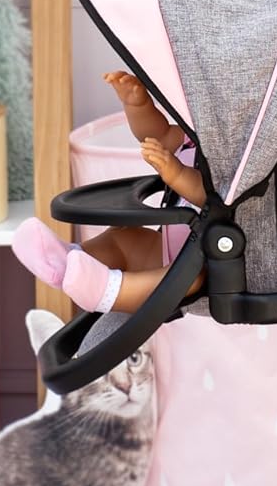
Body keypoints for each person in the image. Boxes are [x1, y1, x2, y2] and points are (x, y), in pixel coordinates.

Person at [12, 71, 205, 315]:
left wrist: (177, 174)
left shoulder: (236, 158)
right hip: (169, 247)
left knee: (185, 277)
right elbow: (161, 134)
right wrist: (138, 105)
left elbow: (216, 196)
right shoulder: (192, 138)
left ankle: (109, 292)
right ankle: (65, 261)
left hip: (208, 262)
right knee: (123, 238)